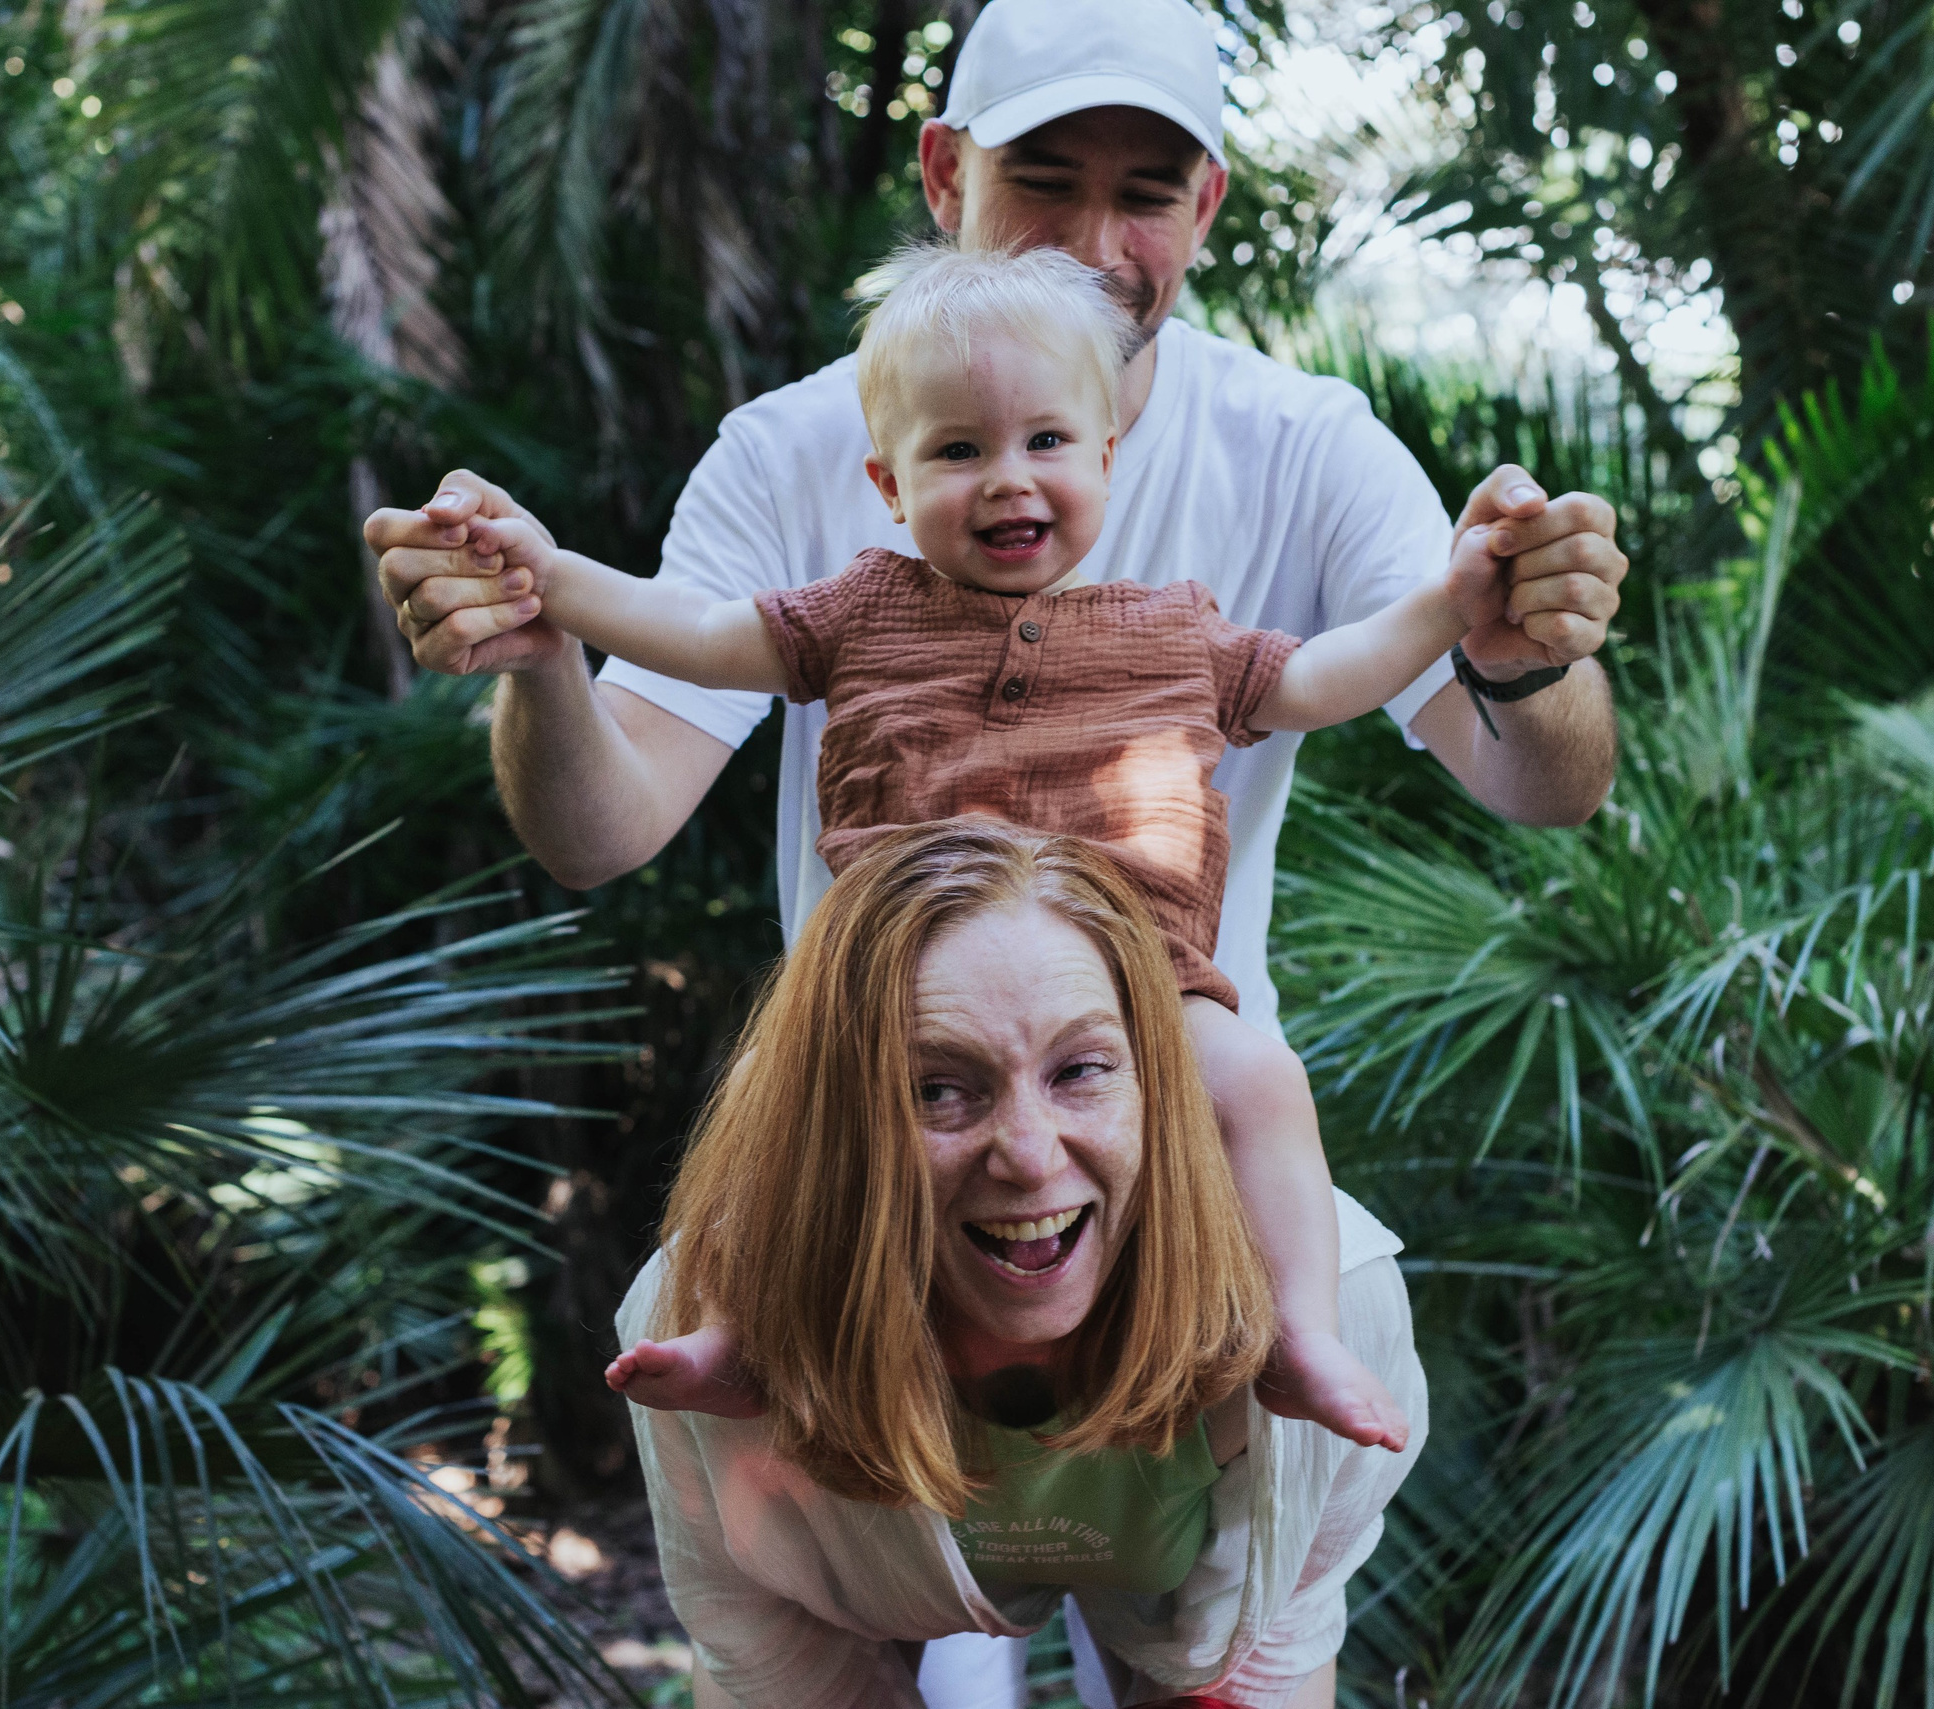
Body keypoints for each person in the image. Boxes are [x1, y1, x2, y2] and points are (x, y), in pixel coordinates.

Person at [452, 242, 1495, 1451]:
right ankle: (741, 1322)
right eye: (958, 450)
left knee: (1260, 1079)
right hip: (900, 980)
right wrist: (554, 582)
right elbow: (689, 628)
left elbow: (1326, 676)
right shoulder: (856, 613)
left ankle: (1301, 1334)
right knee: (768, 1083)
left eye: (1047, 442)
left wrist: (1446, 600)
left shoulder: (1177, 632)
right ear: (888, 485)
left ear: (1107, 459)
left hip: (1140, 981)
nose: (1008, 480)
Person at [622, 819, 1426, 1708]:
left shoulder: (1335, 1298)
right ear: (840, 1128)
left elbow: (1266, 1642)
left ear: (1161, 1085)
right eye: (936, 1087)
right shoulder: (698, 1313)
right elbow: (769, 1643)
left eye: (1080, 1069)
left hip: (1210, 1552)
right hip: (838, 1562)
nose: (1030, 1156)